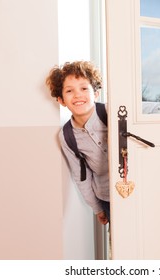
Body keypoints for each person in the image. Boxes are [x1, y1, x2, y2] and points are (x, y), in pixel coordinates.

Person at [46, 61, 110, 225]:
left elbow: (156, 109)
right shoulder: (67, 136)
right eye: (69, 91)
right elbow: (81, 176)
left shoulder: (111, 112)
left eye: (84, 88)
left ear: (95, 94)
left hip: (135, 188)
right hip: (107, 198)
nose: (77, 95)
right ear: (61, 100)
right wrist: (97, 208)